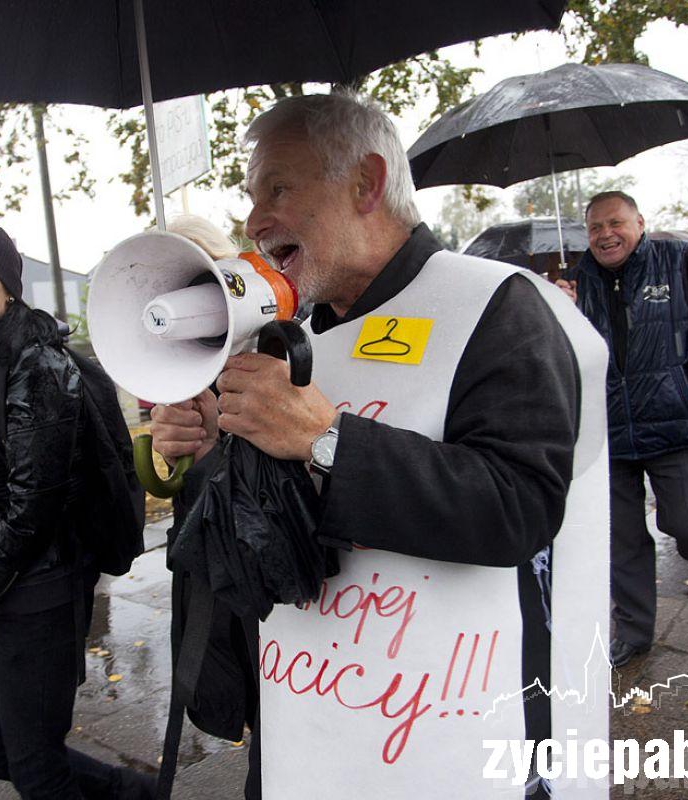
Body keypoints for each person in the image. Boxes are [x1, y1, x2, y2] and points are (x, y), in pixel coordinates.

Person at [151, 93, 607, 798]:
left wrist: (324, 440)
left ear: (365, 183)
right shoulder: (290, 334)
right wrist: (219, 448)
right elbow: (268, 531)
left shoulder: (495, 306)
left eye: (277, 188)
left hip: (444, 739)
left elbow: (519, 506)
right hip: (300, 724)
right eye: (251, 196)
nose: (253, 220)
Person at [0, 218, 153, 800]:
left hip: (37, 588)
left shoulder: (38, 366)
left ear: (9, 286)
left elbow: (33, 511)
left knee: (37, 769)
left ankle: (144, 794)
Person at [558, 191, 688, 667]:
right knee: (623, 539)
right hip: (609, 433)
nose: (605, 235)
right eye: (594, 228)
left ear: (639, 221)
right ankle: (634, 632)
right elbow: (564, 357)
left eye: (615, 223)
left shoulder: (676, 261)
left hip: (673, 423)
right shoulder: (576, 281)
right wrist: (560, 313)